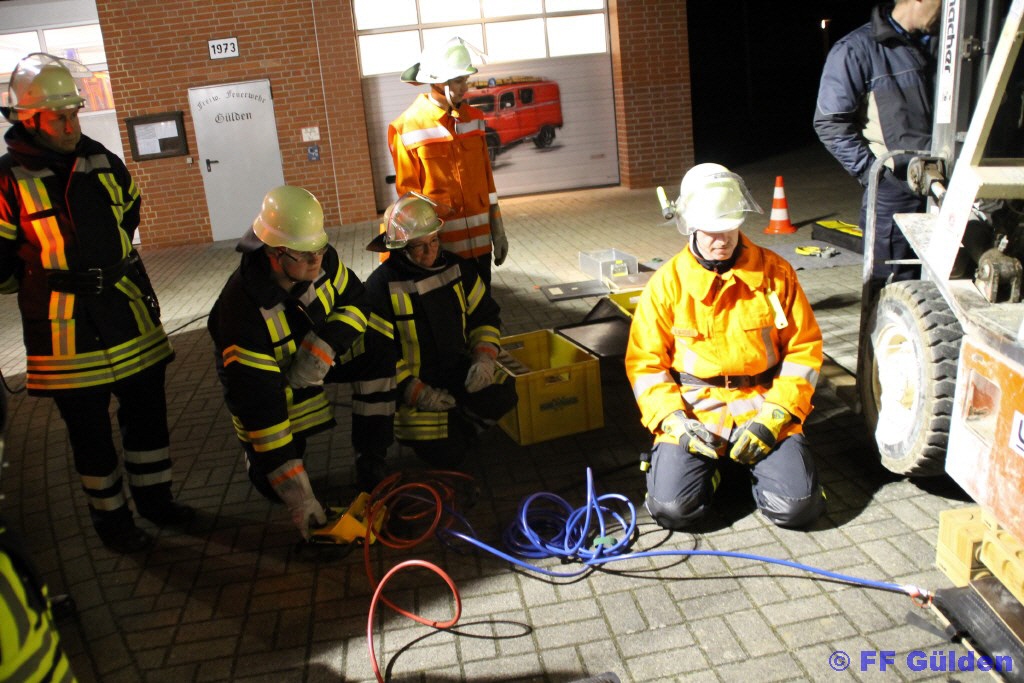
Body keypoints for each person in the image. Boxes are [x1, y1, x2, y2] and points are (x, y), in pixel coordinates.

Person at [0, 53, 187, 554]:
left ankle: (157, 502)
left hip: (126, 314)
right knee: (90, 435)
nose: (70, 126)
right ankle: (113, 523)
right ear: (27, 119)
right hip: (64, 331)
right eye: (57, 118)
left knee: (147, 416)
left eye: (74, 114)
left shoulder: (102, 159)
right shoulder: (6, 179)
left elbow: (128, 215)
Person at [625, 164, 826, 530]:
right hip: (695, 411)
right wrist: (673, 420)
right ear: (690, 225)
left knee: (798, 509)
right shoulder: (666, 285)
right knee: (672, 510)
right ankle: (724, 471)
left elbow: (804, 350)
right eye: (711, 231)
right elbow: (645, 365)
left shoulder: (776, 273)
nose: (722, 240)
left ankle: (748, 470)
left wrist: (777, 415)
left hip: (764, 405)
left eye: (730, 228)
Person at [207, 185, 405, 539]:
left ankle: (371, 456)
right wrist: (300, 499)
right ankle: (257, 463)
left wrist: (324, 346)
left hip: (313, 362)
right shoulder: (240, 314)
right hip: (269, 387)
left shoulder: (320, 258)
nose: (317, 260)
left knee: (378, 344)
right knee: (274, 481)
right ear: (273, 253)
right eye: (305, 253)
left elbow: (357, 301)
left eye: (320, 248)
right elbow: (261, 409)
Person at [364, 193, 517, 468]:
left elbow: (484, 316)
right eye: (419, 246)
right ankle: (452, 432)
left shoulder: (459, 268)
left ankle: (463, 424)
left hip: (460, 371)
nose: (430, 251)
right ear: (400, 247)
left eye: (434, 240)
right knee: (448, 455)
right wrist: (416, 392)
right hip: (415, 386)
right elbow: (378, 354)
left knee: (505, 391)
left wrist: (484, 359)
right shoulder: (380, 287)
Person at [813, 0, 942, 291]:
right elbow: (830, 123)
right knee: (892, 288)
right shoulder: (857, 50)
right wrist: (875, 174)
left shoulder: (946, 47)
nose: (949, 8)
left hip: (947, 186)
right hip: (897, 189)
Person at [388, 37, 509, 285]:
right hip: (442, 250)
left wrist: (498, 231)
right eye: (458, 80)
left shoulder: (474, 119)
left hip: (481, 247)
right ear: (438, 81)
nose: (466, 87)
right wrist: (422, 250)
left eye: (466, 79)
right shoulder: (407, 127)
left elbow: (488, 183)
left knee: (483, 303)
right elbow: (409, 199)